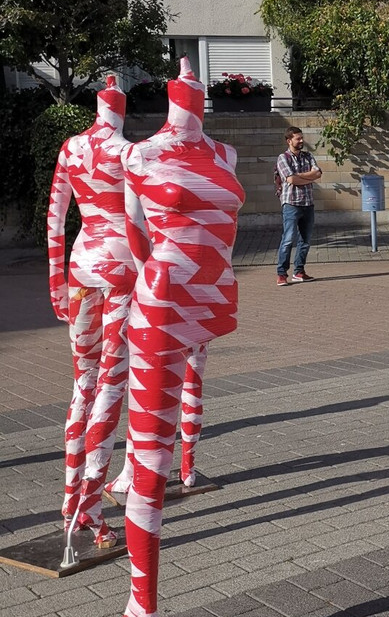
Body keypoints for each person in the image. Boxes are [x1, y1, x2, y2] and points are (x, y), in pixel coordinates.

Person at [120, 57, 244, 617]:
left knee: (193, 401)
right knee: (151, 461)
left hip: (212, 297)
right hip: (163, 301)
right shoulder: (140, 154)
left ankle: (191, 464)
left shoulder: (225, 154)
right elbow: (135, 237)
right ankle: (141, 603)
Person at [46, 75, 135, 549]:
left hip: (81, 267)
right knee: (111, 383)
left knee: (83, 381)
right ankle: (91, 506)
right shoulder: (130, 153)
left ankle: (70, 500)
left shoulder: (72, 147)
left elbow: (55, 218)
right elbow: (140, 222)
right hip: (121, 269)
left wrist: (56, 283)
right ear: (121, 109)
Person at [276, 127, 321, 286]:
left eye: (302, 138)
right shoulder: (283, 158)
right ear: (289, 141)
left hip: (308, 203)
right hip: (291, 204)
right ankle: (282, 274)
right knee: (288, 240)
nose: (301, 141)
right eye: (298, 138)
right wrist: (308, 177)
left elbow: (318, 173)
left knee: (305, 240)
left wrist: (298, 176)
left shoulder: (308, 156)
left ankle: (299, 272)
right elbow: (290, 180)